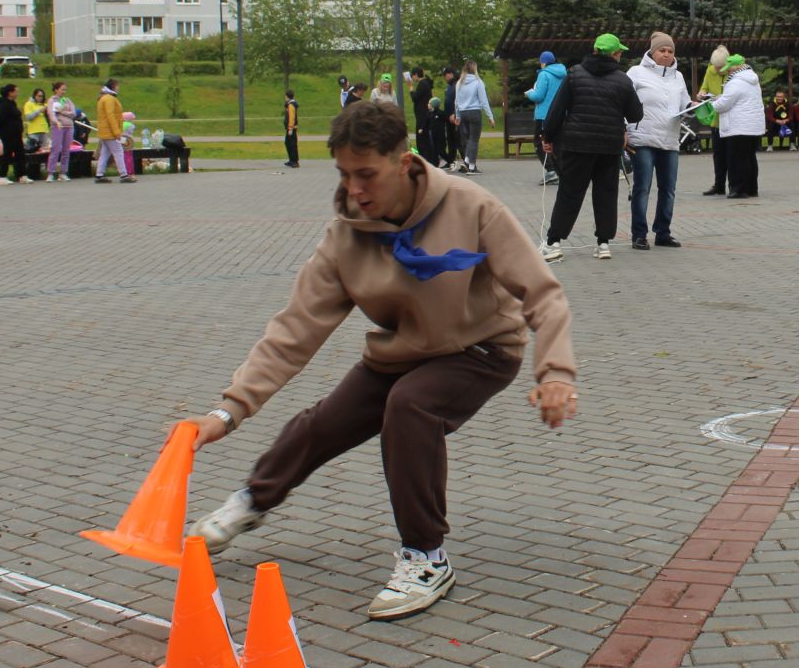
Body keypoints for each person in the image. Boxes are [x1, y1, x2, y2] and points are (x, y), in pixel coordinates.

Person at [184, 102, 578, 619]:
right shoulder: (346, 235)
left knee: (410, 408)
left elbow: (543, 296)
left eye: (367, 174)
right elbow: (295, 329)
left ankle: (426, 556)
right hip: (406, 350)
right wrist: (227, 412)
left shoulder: (472, 207)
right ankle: (252, 503)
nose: (356, 190)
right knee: (322, 424)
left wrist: (555, 373)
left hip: (481, 347)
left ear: (405, 161)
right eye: (345, 175)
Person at [541, 33, 643, 261]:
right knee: (606, 194)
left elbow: (557, 109)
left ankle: (554, 242)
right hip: (609, 145)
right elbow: (636, 114)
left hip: (577, 145)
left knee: (569, 193)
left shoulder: (575, 74)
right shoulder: (623, 80)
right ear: (616, 54)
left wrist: (547, 136)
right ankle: (603, 244)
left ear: (594, 50)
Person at [626, 31, 691, 251]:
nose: (666, 54)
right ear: (652, 52)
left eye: (670, 51)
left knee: (668, 189)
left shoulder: (678, 77)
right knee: (642, 188)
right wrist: (623, 130)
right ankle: (639, 234)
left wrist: (693, 107)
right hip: (642, 138)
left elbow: (684, 105)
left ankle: (663, 232)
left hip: (670, 140)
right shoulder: (636, 72)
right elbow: (623, 100)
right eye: (662, 50)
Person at [703, 53, 765, 198]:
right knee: (749, 158)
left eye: (730, 68)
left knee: (737, 159)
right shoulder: (752, 79)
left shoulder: (736, 82)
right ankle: (751, 189)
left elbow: (724, 104)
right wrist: (723, 97)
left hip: (738, 126)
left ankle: (738, 190)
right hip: (752, 126)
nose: (728, 71)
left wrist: (713, 102)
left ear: (737, 66)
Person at [525, 51, 568, 186]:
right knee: (557, 143)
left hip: (544, 115)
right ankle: (562, 172)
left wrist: (529, 93)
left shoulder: (544, 74)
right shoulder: (564, 74)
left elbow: (539, 96)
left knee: (540, 143)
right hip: (560, 115)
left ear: (543, 62)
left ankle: (551, 171)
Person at [699, 46, 731, 196]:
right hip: (715, 120)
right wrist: (702, 93)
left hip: (730, 121)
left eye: (720, 67)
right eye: (716, 66)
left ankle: (733, 185)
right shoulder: (710, 71)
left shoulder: (733, 73)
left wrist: (722, 98)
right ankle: (719, 185)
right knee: (718, 155)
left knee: (730, 155)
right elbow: (704, 88)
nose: (718, 70)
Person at [452, 60, 492, 173]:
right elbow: (483, 101)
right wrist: (490, 116)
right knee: (474, 140)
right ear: (475, 69)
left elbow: (456, 101)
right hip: (474, 112)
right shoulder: (478, 82)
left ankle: (467, 162)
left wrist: (458, 115)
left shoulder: (459, 82)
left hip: (463, 113)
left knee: (468, 139)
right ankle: (471, 166)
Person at [94, 78, 134, 183]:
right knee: (118, 152)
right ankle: (123, 175)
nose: (118, 88)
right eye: (117, 86)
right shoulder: (109, 99)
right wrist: (117, 132)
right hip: (110, 132)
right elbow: (110, 116)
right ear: (113, 86)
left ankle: (99, 175)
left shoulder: (104, 98)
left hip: (104, 131)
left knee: (105, 153)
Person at [0, 84, 30, 184]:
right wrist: (1, 130)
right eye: (16, 92)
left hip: (16, 133)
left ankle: (22, 175)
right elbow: (1, 119)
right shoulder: (4, 104)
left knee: (20, 153)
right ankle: (2, 176)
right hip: (8, 134)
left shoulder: (12, 103)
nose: (17, 93)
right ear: (10, 93)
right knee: (8, 153)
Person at [45, 82, 78, 181]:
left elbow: (73, 113)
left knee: (66, 150)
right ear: (56, 90)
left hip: (69, 126)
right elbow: (51, 113)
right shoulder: (52, 100)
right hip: (58, 126)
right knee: (55, 149)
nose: (64, 91)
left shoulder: (67, 100)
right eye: (62, 89)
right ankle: (51, 172)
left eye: (65, 89)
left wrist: (62, 112)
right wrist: (56, 121)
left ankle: (63, 172)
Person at [22, 87, 51, 179]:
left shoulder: (44, 104)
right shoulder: (29, 104)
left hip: (44, 130)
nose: (40, 98)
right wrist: (39, 111)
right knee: (31, 150)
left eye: (42, 96)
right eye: (39, 96)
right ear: (34, 96)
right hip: (33, 131)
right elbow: (29, 117)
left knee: (45, 151)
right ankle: (30, 171)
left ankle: (45, 170)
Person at [409, 68, 433, 150]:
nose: (412, 78)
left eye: (412, 76)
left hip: (422, 115)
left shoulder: (422, 84)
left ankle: (424, 155)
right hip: (424, 113)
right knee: (424, 137)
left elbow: (415, 98)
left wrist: (411, 89)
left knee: (421, 138)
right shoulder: (425, 83)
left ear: (416, 74)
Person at [283, 89, 301, 168]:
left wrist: (290, 128)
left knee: (292, 145)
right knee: (288, 143)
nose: (285, 98)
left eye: (285, 96)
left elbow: (292, 117)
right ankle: (291, 160)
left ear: (287, 96)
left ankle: (295, 161)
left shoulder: (291, 105)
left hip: (292, 128)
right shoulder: (290, 104)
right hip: (290, 128)